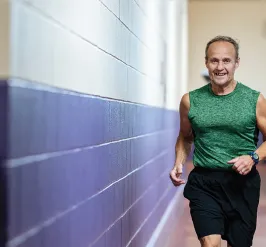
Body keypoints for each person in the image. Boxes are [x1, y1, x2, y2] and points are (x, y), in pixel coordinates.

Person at [169, 35, 266, 247]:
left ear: (236, 63)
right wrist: (178, 161)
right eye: (214, 60)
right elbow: (185, 136)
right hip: (205, 183)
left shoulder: (254, 99)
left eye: (226, 61)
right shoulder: (190, 100)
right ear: (206, 62)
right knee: (210, 244)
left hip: (242, 184)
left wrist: (253, 157)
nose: (220, 67)